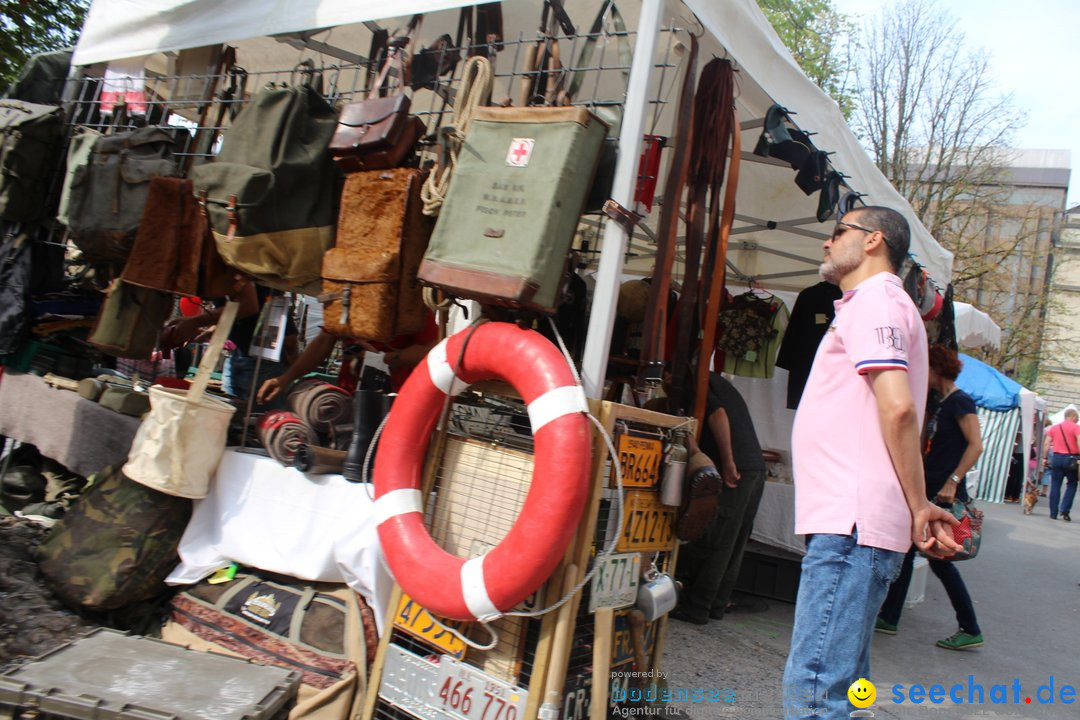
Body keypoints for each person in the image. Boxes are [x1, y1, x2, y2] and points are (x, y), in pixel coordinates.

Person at [781, 206, 960, 717]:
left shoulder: (875, 302)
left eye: (838, 232)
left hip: (853, 525)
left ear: (874, 239)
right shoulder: (880, 304)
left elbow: (899, 407)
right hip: (857, 526)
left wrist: (920, 503)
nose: (826, 243)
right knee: (840, 687)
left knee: (816, 689)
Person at [876, 344, 984, 650]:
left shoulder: (961, 402)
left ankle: (970, 626)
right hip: (932, 489)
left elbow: (976, 445)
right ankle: (890, 616)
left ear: (936, 369)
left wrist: (952, 481)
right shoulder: (940, 403)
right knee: (913, 552)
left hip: (944, 494)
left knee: (941, 560)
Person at [671, 373, 767, 625]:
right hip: (755, 466)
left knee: (719, 539)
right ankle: (715, 604)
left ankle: (697, 607)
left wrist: (727, 461)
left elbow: (718, 415)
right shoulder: (714, 380)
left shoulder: (693, 382)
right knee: (734, 542)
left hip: (738, 467)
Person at [1046, 407, 1080, 521]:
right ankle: (1064, 510)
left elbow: (1046, 443)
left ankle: (1053, 512)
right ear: (1073, 416)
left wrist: (1044, 458)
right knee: (1072, 484)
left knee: (1055, 485)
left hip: (1057, 457)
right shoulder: (1076, 428)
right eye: (1077, 418)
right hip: (1071, 459)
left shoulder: (1055, 428)